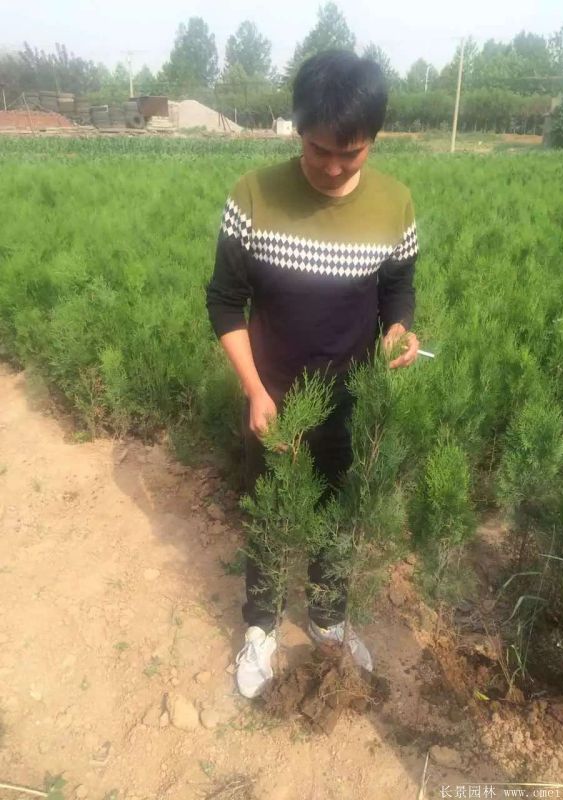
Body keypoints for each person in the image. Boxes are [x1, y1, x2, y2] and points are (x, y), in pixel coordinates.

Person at [205, 49, 420, 699]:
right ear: (297, 128)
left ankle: (328, 620)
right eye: (317, 148)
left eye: (349, 154)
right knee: (270, 511)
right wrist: (254, 390)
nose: (330, 166)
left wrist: (398, 331)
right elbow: (224, 302)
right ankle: (261, 625)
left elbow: (397, 287)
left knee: (337, 513)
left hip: (351, 396)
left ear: (373, 139)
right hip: (272, 396)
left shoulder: (395, 204)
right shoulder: (253, 195)